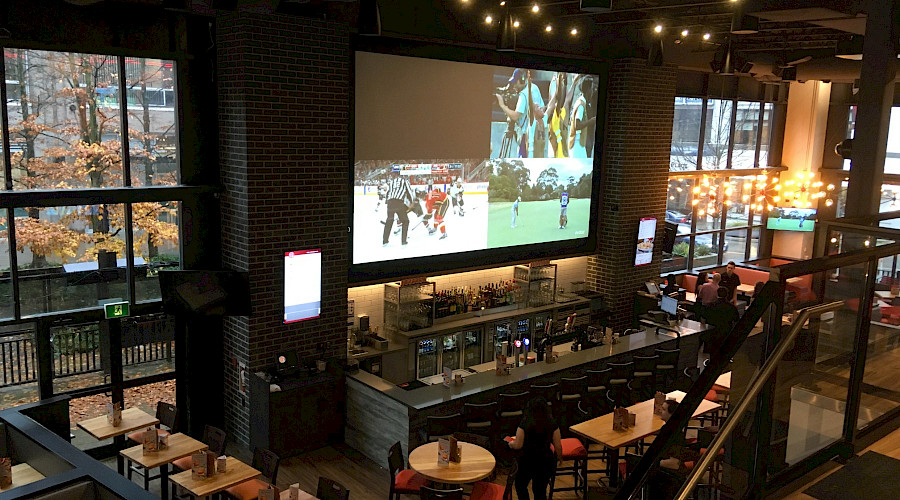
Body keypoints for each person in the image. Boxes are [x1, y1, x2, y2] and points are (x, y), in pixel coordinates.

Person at [508, 397, 563, 500]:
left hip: (526, 460)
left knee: (521, 486)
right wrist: (560, 458)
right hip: (545, 460)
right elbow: (558, 445)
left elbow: (518, 445)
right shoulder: (552, 422)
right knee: (540, 490)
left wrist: (510, 443)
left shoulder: (525, 423)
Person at [496, 68, 547, 158]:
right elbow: (543, 107)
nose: (514, 85)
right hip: (535, 133)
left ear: (522, 80)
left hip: (525, 135)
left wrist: (502, 105)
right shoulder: (535, 87)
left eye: (515, 82)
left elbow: (515, 116)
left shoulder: (523, 94)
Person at [702, 286, 740, 357]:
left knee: (712, 353)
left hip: (712, 334)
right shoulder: (731, 307)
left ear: (717, 294)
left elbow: (703, 319)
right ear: (727, 295)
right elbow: (736, 320)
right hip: (726, 334)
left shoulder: (710, 306)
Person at [382, 169, 414, 247]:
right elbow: (409, 192)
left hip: (390, 203)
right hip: (398, 203)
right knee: (405, 221)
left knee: (389, 221)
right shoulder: (404, 181)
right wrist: (412, 202)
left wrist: (388, 203)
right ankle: (403, 241)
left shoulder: (391, 182)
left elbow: (388, 194)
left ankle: (385, 241)